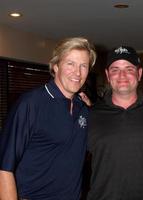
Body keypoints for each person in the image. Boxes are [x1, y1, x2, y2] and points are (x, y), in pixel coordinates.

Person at [0, 37, 96, 200]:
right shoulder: (30, 104)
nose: (77, 73)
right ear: (56, 66)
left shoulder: (83, 108)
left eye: (83, 66)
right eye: (70, 64)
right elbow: (4, 167)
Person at [87, 46, 143, 200]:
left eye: (129, 69)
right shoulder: (91, 114)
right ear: (107, 75)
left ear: (139, 73)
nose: (122, 75)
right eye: (115, 69)